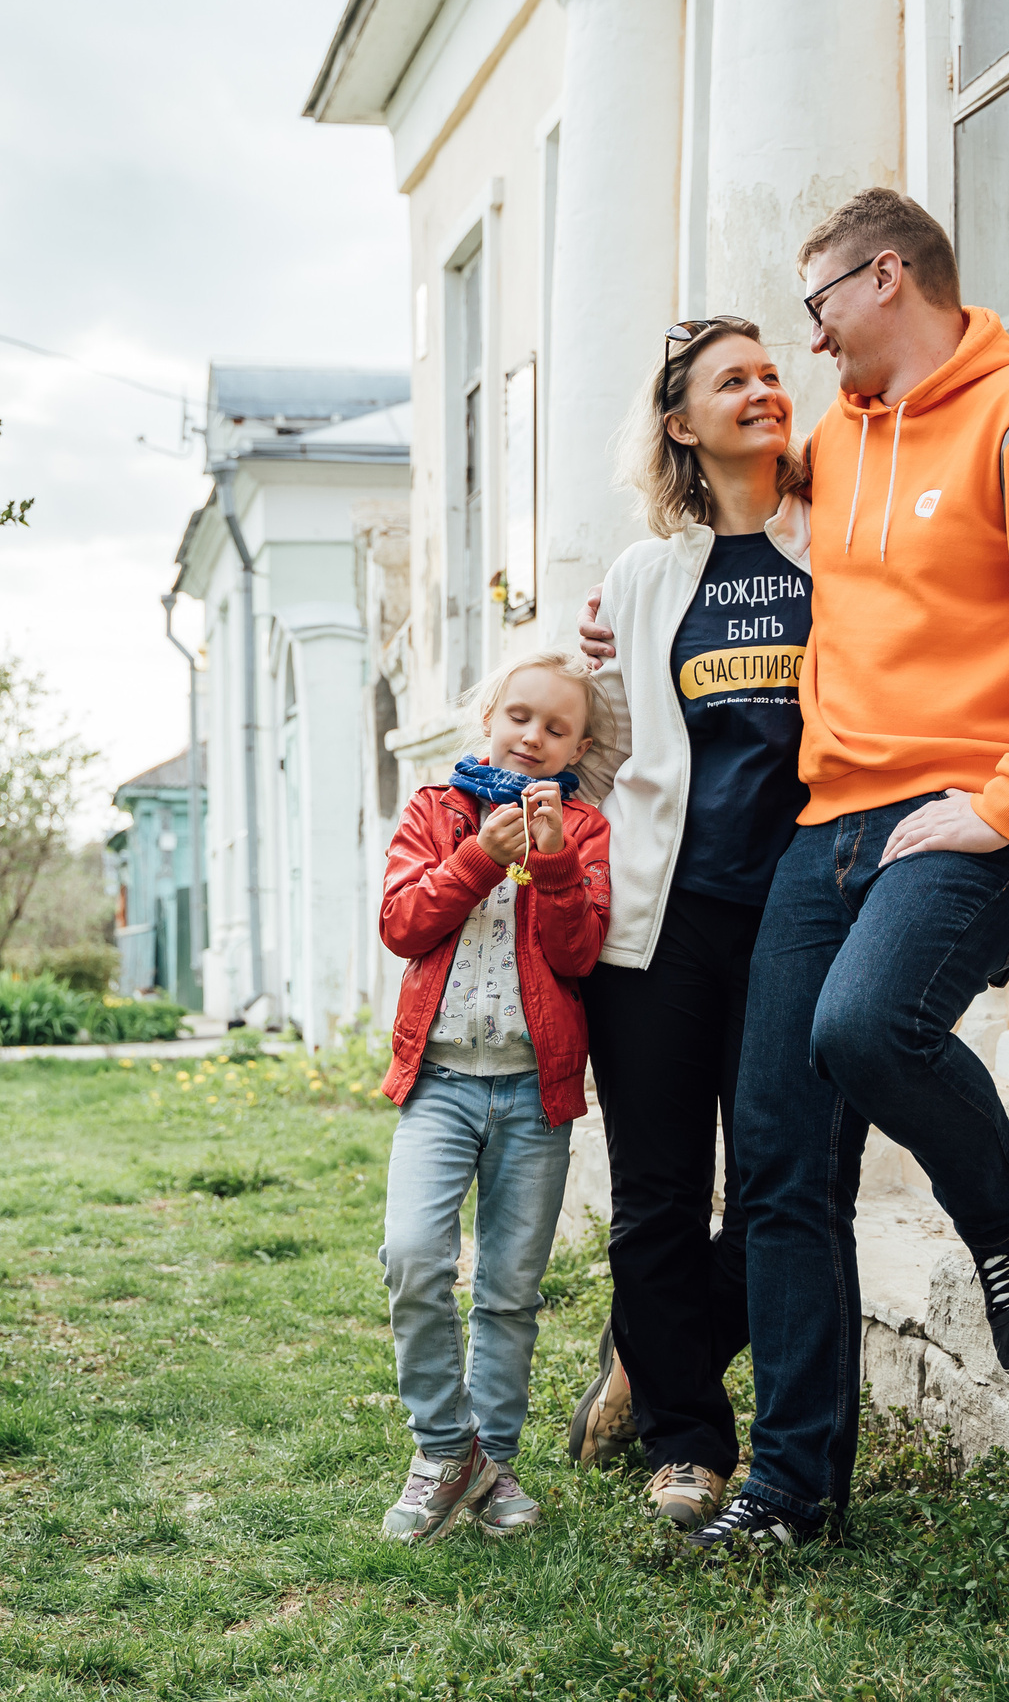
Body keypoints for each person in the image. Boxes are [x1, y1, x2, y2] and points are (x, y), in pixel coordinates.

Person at [580, 189, 1009, 1556]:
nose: (808, 343)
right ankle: (793, 1489)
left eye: (819, 306)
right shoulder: (840, 445)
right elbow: (730, 511)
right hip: (826, 826)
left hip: (985, 810)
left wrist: (1003, 799)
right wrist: (624, 608)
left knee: (862, 1026)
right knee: (777, 1160)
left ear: (885, 277)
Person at [560, 317, 812, 1533]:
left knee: (785, 1185)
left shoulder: (841, 545)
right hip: (655, 930)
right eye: (733, 380)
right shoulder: (642, 579)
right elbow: (598, 749)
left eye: (772, 372)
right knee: (660, 1192)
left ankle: (655, 1354)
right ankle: (686, 1443)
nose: (764, 390)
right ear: (682, 424)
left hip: (799, 922)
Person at [373, 650, 615, 1543]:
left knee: (510, 1291)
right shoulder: (438, 811)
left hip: (532, 1093)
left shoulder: (583, 831)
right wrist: (479, 856)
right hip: (439, 1084)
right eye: (519, 716)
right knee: (412, 1256)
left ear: (576, 747)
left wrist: (549, 863)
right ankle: (446, 1447)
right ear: (489, 717)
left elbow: (579, 955)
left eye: (555, 729)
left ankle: (495, 1461)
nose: (531, 737)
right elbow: (403, 923)